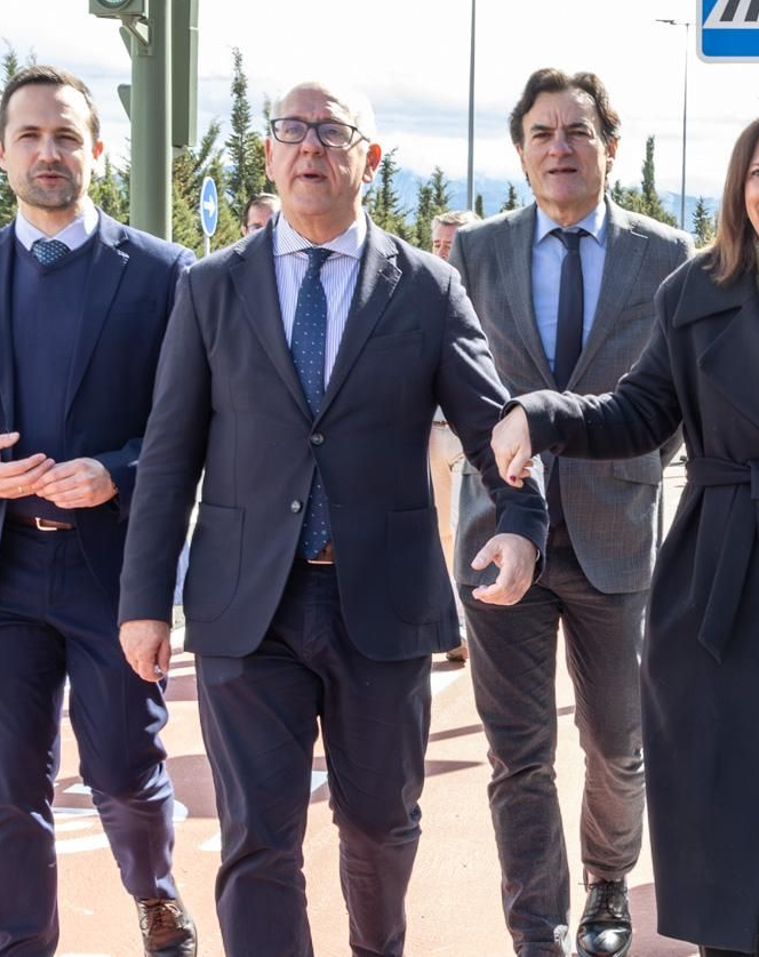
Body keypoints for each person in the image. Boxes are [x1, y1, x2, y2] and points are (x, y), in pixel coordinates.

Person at [116, 80, 548, 957]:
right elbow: (168, 455)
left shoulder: (426, 289)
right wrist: (144, 599)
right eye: (290, 130)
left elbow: (491, 422)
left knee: (383, 827)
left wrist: (523, 520)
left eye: (331, 131)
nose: (309, 146)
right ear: (270, 154)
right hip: (249, 608)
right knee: (257, 841)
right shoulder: (211, 288)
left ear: (370, 160)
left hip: (380, 608)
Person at [491, 111, 759, 956]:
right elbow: (637, 413)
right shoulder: (694, 292)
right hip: (715, 576)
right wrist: (543, 413)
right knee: (712, 800)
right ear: (740, 188)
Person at [0, 65, 196, 956]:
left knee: (126, 774)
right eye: (29, 135)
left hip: (113, 574)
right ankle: (21, 945)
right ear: (0, 152)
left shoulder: (164, 274)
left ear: (96, 148)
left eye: (65, 135)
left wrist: (115, 470)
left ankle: (156, 895)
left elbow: (189, 428)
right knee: (11, 794)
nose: (47, 151)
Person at [449, 68, 691, 957]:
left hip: (615, 536)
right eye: (543, 133)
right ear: (521, 151)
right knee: (518, 755)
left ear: (609, 149)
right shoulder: (473, 254)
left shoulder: (666, 257)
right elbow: (465, 392)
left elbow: (675, 406)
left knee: (617, 744)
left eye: (578, 132)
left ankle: (605, 884)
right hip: (498, 537)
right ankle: (537, 929)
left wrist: (630, 471)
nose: (560, 148)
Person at [428, 208, 481, 662]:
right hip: (429, 435)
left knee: (468, 530)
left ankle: (469, 622)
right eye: (439, 244)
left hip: (471, 439)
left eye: (454, 243)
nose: (446, 252)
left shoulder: (488, 300)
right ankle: (449, 618)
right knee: (439, 532)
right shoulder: (420, 294)